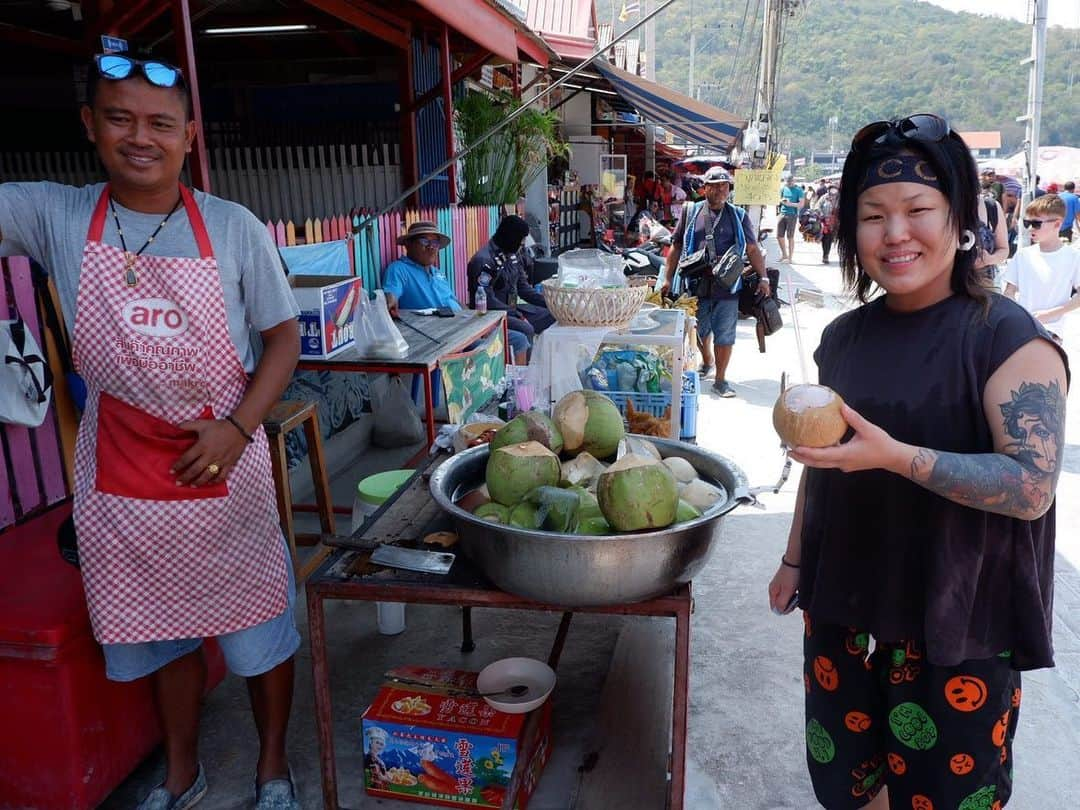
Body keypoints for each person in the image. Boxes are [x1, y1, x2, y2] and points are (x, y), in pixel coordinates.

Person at [0, 53, 304, 809]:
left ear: (189, 136)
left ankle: (272, 769)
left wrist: (239, 427)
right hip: (121, 472)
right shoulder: (58, 215)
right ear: (90, 126)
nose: (141, 137)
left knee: (258, 634)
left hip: (223, 467)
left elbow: (284, 338)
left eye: (161, 123)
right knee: (159, 630)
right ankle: (180, 772)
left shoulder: (232, 228)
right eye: (120, 118)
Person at [768, 113, 1068, 810]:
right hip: (844, 605)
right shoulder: (843, 338)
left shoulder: (1006, 337)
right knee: (849, 787)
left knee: (941, 795)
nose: (894, 233)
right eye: (872, 215)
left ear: (959, 217)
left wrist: (896, 458)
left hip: (955, 624)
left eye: (917, 210)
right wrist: (792, 560)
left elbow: (1030, 487)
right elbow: (825, 462)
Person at [659, 166, 767, 398]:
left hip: (728, 286)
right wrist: (667, 279)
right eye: (715, 185)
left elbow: (752, 247)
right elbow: (677, 246)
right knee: (699, 331)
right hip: (696, 283)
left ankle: (720, 380)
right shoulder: (691, 212)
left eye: (724, 185)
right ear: (704, 188)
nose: (720, 190)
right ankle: (707, 360)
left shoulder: (738, 216)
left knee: (725, 333)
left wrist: (764, 277)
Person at [384, 220, 531, 363]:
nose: (431, 247)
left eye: (435, 243)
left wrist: (478, 323)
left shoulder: (437, 273)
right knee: (515, 340)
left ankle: (515, 385)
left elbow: (455, 302)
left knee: (518, 338)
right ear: (408, 245)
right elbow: (391, 294)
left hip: (463, 329)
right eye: (424, 241)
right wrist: (389, 302)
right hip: (441, 338)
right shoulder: (399, 269)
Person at [466, 214, 554, 358]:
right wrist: (516, 315)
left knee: (553, 315)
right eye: (521, 240)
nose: (523, 245)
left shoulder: (512, 254)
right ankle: (525, 371)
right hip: (490, 315)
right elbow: (487, 300)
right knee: (526, 329)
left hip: (512, 309)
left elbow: (524, 289)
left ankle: (546, 362)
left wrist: (550, 303)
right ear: (512, 237)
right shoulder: (484, 260)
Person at [1001, 194, 1080, 343]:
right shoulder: (1023, 255)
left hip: (1052, 332)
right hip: (1019, 329)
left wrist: (1050, 314)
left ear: (1057, 224)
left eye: (1036, 223)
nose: (1030, 228)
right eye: (1026, 222)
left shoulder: (1073, 257)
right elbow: (1009, 291)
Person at [974, 192, 1010, 287]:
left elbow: (1004, 249)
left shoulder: (991, 206)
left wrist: (989, 259)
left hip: (983, 286)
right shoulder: (942, 205)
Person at [777, 175, 805, 262]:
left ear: (794, 181)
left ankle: (790, 257)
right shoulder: (783, 188)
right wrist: (782, 201)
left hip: (792, 215)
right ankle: (784, 255)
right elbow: (779, 199)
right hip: (782, 213)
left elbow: (801, 204)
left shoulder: (799, 190)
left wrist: (790, 204)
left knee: (790, 237)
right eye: (788, 181)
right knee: (779, 236)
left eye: (791, 181)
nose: (789, 183)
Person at [815, 186, 839, 264]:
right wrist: (821, 214)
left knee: (830, 239)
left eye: (834, 190)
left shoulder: (839, 198)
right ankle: (825, 255)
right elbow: (817, 206)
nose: (833, 192)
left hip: (834, 222)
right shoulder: (824, 197)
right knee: (825, 239)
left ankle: (826, 254)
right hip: (824, 221)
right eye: (831, 190)